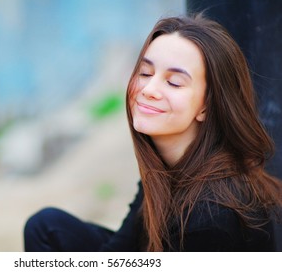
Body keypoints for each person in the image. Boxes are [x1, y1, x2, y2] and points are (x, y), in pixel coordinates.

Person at [23, 13, 282, 252]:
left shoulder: (210, 216)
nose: (149, 89)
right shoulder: (168, 164)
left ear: (206, 106)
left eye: (174, 82)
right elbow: (120, 248)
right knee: (47, 227)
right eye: (145, 72)